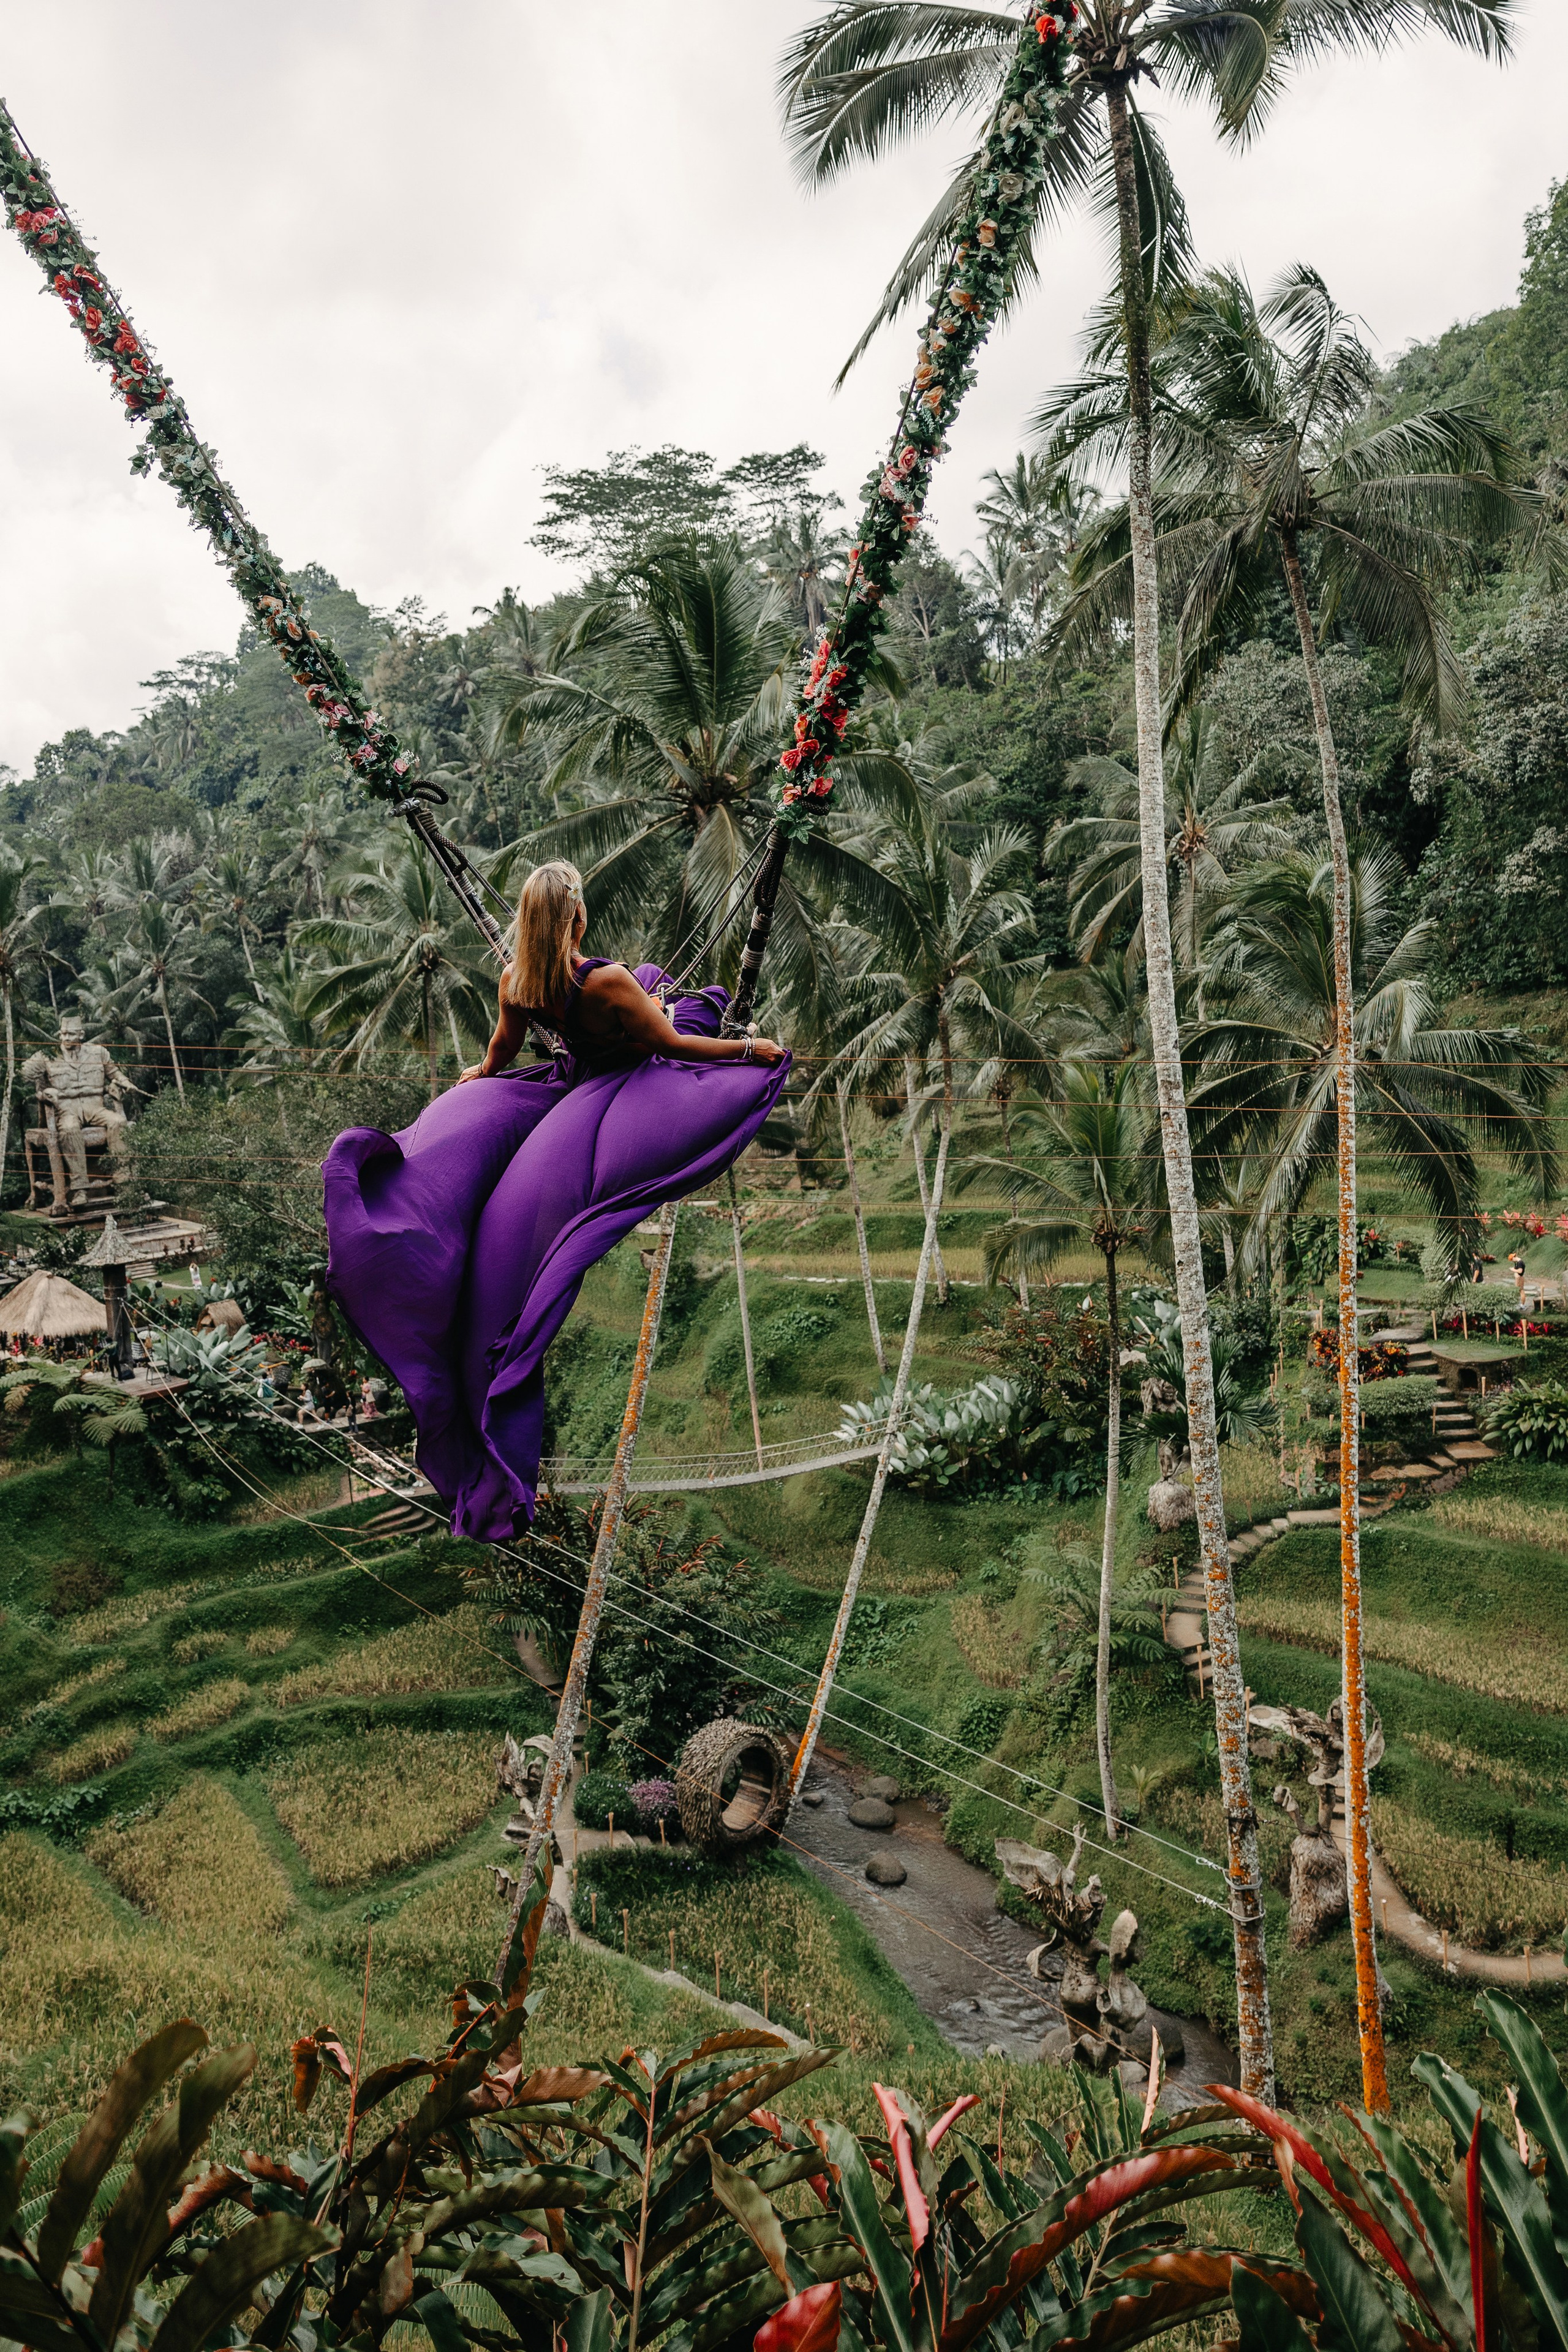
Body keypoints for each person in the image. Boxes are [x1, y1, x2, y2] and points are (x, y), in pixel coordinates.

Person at [323, 861, 790, 1544]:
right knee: (697, 1003)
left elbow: (499, 1053)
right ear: (575, 918)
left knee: (660, 983)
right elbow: (672, 1045)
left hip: (575, 1070)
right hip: (624, 1082)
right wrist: (752, 1049)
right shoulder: (604, 981)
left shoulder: (520, 981)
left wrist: (479, 1080)